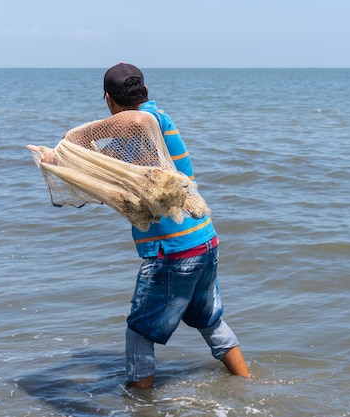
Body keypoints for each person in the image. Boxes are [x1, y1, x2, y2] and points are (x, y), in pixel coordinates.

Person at [28, 63, 249, 388]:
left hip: (173, 253)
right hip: (203, 242)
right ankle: (247, 384)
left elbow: (132, 121)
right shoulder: (142, 137)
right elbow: (99, 171)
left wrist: (74, 136)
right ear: (144, 90)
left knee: (140, 331)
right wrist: (59, 160)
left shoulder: (151, 120)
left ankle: (138, 405)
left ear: (108, 99)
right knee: (208, 320)